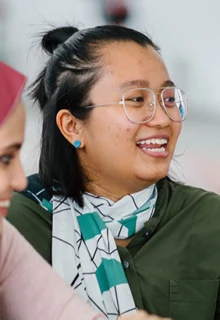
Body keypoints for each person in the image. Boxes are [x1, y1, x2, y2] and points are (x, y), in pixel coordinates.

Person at [6, 24, 220, 320]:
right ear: (72, 126)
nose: (161, 119)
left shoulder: (211, 220)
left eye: (168, 99)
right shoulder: (15, 223)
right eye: (136, 100)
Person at [0, 61, 162, 320]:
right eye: (5, 159)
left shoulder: (4, 241)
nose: (20, 181)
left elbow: (61, 311)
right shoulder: (23, 215)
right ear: (71, 126)